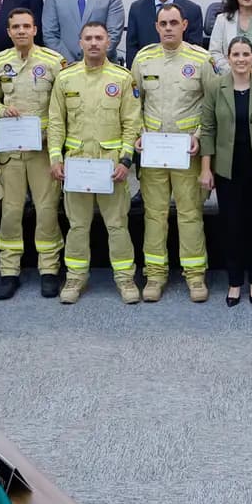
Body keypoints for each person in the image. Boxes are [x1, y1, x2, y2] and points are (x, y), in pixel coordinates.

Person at [48, 22, 141, 305]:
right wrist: (55, 157)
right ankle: (75, 277)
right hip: (76, 165)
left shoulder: (122, 78)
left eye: (99, 38)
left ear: (108, 42)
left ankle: (125, 278)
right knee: (77, 226)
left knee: (117, 225)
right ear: (80, 42)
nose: (93, 43)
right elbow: (56, 122)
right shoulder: (66, 78)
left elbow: (132, 123)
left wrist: (126, 160)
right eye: (88, 38)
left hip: (111, 166)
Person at [132, 2, 216, 302]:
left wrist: (199, 137)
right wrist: (139, 133)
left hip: (187, 152)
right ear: (156, 27)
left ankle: (195, 276)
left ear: (184, 25)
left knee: (190, 214)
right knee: (154, 216)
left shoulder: (201, 59)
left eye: (174, 23)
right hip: (153, 151)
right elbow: (133, 104)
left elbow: (212, 105)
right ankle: (155, 276)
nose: (168, 28)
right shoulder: (143, 59)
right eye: (163, 23)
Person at [0, 8, 68, 300]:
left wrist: (56, 145)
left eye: (26, 26)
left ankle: (49, 269)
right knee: (10, 212)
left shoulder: (53, 62)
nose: (21, 31)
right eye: (16, 27)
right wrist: (1, 110)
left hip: (43, 150)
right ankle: (9, 270)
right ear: (8, 32)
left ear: (35, 30)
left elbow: (62, 107)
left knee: (47, 210)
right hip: (11, 152)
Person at [199, 37, 252, 307]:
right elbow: (208, 128)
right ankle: (235, 281)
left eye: (245, 54)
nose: (240, 59)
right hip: (227, 169)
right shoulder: (215, 86)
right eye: (235, 54)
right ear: (228, 57)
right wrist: (206, 168)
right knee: (232, 227)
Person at [125, 0, 203, 68]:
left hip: (181, 71)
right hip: (147, 70)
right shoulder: (137, 9)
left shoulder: (192, 10)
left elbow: (195, 50)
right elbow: (132, 47)